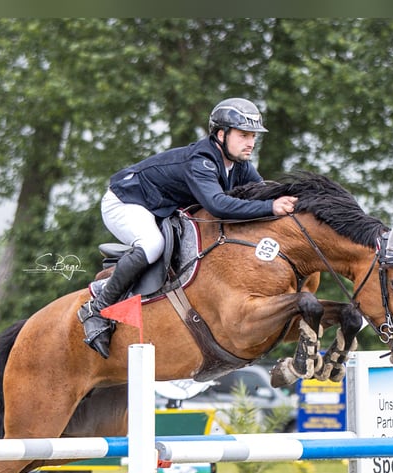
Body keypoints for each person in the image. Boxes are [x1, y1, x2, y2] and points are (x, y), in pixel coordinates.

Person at [79, 97, 298, 359]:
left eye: (253, 136)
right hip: (125, 202)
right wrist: (272, 207)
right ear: (221, 134)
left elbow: (262, 192)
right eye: (243, 135)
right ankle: (97, 308)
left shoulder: (239, 166)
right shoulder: (202, 161)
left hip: (158, 207)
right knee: (152, 244)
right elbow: (218, 206)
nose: (250, 142)